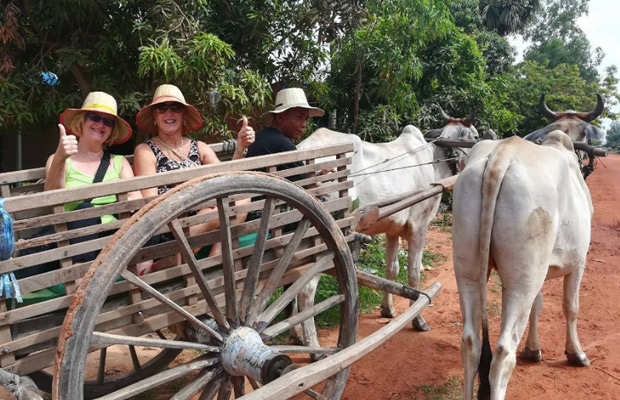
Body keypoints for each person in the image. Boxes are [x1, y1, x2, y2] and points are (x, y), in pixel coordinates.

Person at [133, 84, 254, 267]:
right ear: (155, 117)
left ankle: (216, 258)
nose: (169, 112)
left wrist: (240, 148)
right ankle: (176, 256)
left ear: (183, 115)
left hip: (206, 214)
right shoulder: (146, 150)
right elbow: (151, 202)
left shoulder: (200, 147)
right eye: (162, 108)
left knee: (242, 198)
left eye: (176, 107)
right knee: (217, 211)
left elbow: (227, 179)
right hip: (169, 225)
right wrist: (187, 196)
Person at [246, 87, 324, 181]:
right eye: (299, 117)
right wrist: (320, 179)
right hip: (267, 195)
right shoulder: (283, 144)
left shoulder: (260, 136)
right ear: (280, 118)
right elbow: (304, 187)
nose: (304, 125)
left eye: (306, 119)